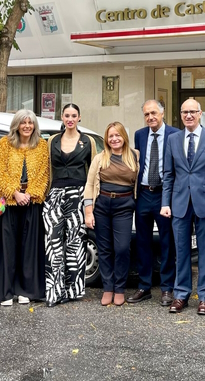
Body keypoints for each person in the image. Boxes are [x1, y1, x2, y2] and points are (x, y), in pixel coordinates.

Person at [160, 98, 205, 315]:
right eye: (184, 112)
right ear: (181, 115)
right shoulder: (172, 139)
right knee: (181, 251)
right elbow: (168, 175)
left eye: (192, 112)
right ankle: (181, 295)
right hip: (179, 203)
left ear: (200, 114)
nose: (188, 115)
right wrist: (165, 203)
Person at [0, 110, 49, 306]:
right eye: (23, 122)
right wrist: (14, 193)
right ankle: (4, 292)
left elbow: (43, 174)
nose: (27, 126)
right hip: (8, 202)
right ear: (16, 125)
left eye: (30, 123)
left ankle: (25, 291)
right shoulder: (4, 143)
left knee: (29, 249)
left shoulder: (42, 145)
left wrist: (29, 194)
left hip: (32, 201)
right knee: (6, 248)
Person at [43, 103, 98, 307]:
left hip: (79, 194)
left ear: (79, 118)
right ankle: (54, 292)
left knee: (75, 244)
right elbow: (47, 169)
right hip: (55, 194)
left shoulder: (88, 141)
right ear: (62, 117)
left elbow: (93, 173)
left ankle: (73, 290)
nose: (70, 119)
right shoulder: (52, 141)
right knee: (53, 243)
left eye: (74, 115)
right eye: (67, 115)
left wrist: (91, 202)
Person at [128, 100, 180, 306]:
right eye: (146, 114)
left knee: (167, 243)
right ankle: (144, 286)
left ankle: (167, 288)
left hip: (164, 195)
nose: (150, 117)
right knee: (143, 242)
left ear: (162, 113)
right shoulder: (140, 135)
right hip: (143, 194)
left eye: (154, 113)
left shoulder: (175, 134)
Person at [83, 122, 139, 307]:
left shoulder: (134, 156)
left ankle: (120, 288)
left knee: (122, 248)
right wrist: (88, 211)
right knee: (105, 248)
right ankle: (108, 288)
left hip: (124, 206)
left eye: (118, 135)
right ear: (107, 139)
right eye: (111, 136)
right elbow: (90, 185)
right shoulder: (100, 158)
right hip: (102, 205)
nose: (114, 139)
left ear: (124, 136)